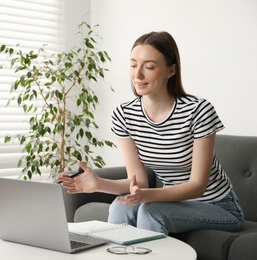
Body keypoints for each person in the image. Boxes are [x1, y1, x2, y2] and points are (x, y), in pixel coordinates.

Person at [57, 31, 244, 235]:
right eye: (133, 64)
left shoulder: (198, 111)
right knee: (120, 205)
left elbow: (197, 186)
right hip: (173, 203)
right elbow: (138, 182)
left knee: (151, 211)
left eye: (149, 67)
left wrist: (146, 196)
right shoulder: (124, 114)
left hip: (218, 207)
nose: (138, 75)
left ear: (170, 70)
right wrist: (99, 184)